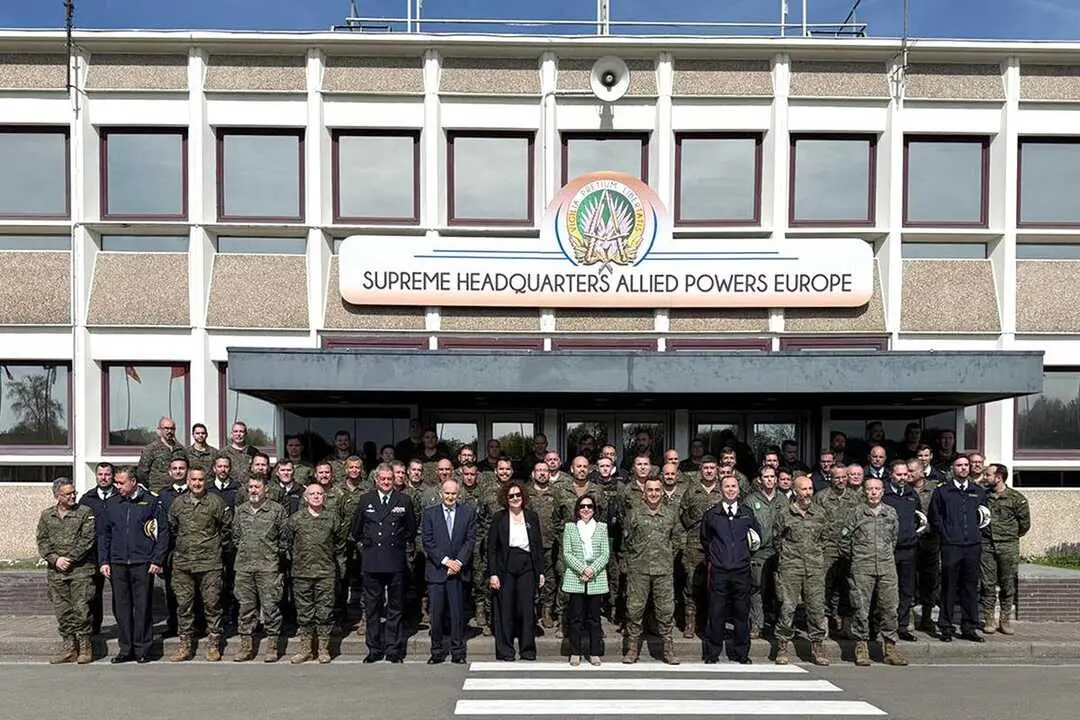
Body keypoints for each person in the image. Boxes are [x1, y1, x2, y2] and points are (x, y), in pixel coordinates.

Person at [97, 466, 168, 664]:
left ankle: (142, 649)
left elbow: (162, 532)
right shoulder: (112, 503)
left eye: (121, 482)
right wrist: (104, 561)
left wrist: (157, 559)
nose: (117, 486)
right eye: (116, 482)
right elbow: (104, 534)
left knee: (142, 606)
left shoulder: (151, 501)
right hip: (118, 562)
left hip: (142, 562)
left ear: (133, 482)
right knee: (121, 608)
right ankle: (125, 649)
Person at [351, 463, 416, 663]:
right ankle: (374, 649)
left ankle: (393, 649)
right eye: (383, 479)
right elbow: (356, 530)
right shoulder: (365, 500)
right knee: (372, 608)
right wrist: (367, 548)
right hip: (372, 562)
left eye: (390, 479)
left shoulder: (404, 500)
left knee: (395, 608)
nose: (387, 482)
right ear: (376, 480)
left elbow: (411, 530)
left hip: (395, 561)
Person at [167, 467, 231, 662]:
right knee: (184, 605)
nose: (197, 483)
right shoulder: (178, 503)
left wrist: (215, 547)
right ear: (188, 481)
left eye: (201, 480)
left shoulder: (215, 502)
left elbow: (227, 528)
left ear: (206, 481)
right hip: (183, 564)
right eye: (193, 480)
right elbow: (172, 527)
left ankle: (214, 643)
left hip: (210, 563)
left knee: (212, 604)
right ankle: (185, 645)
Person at [843, 477, 908, 667]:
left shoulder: (890, 513)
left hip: (886, 567)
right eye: (869, 489)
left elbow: (893, 539)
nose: (873, 492)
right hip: (862, 567)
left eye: (877, 489)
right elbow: (845, 542)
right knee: (861, 609)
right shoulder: (855, 513)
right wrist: (858, 558)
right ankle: (861, 647)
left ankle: (890, 648)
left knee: (889, 608)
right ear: (864, 491)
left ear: (882, 491)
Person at [700, 474, 761, 664]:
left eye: (734, 486)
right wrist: (717, 557)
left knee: (741, 613)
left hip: (741, 571)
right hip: (719, 571)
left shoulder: (747, 513)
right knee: (716, 612)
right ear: (721, 489)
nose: (731, 490)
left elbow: (756, 537)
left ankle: (741, 652)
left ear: (739, 489)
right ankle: (712, 653)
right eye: (727, 486)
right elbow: (705, 539)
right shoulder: (712, 514)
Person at [37, 477, 97, 665]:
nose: (72, 496)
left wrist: (69, 559)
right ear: (57, 496)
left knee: (81, 609)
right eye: (68, 494)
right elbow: (42, 540)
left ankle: (85, 647)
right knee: (63, 611)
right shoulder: (47, 515)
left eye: (73, 492)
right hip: (57, 572)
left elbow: (87, 540)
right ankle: (69, 647)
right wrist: (55, 559)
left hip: (80, 570)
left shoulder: (85, 512)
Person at [929, 455, 988, 642]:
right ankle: (945, 627)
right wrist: (946, 535)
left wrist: (975, 535)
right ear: (952, 468)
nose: (963, 468)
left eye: (966, 465)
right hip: (951, 546)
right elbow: (935, 517)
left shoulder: (978, 492)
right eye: (959, 465)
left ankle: (969, 627)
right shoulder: (943, 492)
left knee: (970, 587)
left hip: (972, 546)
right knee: (949, 587)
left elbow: (984, 518)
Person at [773, 475, 830, 666]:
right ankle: (782, 645)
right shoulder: (785, 513)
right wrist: (788, 557)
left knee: (816, 608)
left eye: (810, 489)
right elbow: (777, 539)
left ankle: (817, 646)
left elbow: (825, 539)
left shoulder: (820, 513)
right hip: (791, 567)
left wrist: (816, 557)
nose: (808, 493)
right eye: (804, 489)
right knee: (787, 607)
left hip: (814, 567)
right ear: (795, 492)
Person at [621, 478, 679, 665]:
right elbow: (627, 541)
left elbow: (677, 539)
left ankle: (668, 650)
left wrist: (667, 555)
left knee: (666, 610)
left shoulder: (670, 514)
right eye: (650, 490)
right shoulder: (634, 513)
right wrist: (635, 559)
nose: (653, 493)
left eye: (657, 490)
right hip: (639, 569)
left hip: (663, 570)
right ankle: (632, 649)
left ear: (662, 492)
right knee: (634, 609)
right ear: (644, 493)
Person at [231, 475, 289, 662]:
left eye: (257, 487)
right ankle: (246, 646)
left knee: (271, 607)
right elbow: (235, 536)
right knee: (245, 607)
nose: (253, 490)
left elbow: (284, 539)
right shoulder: (241, 511)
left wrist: (272, 555)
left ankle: (272, 646)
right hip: (245, 567)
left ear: (266, 490)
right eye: (251, 487)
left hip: (268, 567)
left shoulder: (276, 510)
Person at [287, 484, 347, 664]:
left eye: (319, 493)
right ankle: (305, 649)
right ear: (305, 498)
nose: (316, 496)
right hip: (302, 573)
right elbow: (287, 543)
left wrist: (337, 568)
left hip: (325, 573)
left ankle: (323, 648)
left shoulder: (333, 518)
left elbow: (340, 545)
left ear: (324, 497)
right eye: (312, 494)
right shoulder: (296, 519)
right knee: (304, 612)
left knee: (325, 611)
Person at [487, 481, 545, 662]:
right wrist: (493, 573)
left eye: (518, 495)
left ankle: (527, 649)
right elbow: (491, 548)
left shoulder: (532, 517)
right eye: (511, 496)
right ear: (506, 498)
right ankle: (506, 650)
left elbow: (537, 545)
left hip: (527, 564)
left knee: (527, 609)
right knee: (506, 608)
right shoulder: (499, 517)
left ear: (523, 497)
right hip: (506, 565)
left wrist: (540, 572)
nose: (515, 499)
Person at [422, 479, 478, 664]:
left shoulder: (467, 513)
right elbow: (428, 542)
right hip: (438, 572)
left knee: (457, 615)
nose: (450, 496)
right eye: (447, 493)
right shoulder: (430, 514)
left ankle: (458, 652)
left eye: (453, 493)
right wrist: (447, 562)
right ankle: (436, 651)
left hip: (458, 573)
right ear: (441, 494)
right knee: (436, 616)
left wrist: (459, 562)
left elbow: (470, 541)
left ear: (458, 494)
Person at [980, 464, 1031, 635]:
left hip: (1008, 545)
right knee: (987, 584)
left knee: (1007, 584)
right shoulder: (983, 496)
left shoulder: (1017, 498)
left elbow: (1024, 525)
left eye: (988, 475)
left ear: (998, 477)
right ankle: (989, 619)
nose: (985, 477)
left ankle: (1005, 619)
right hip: (987, 544)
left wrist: (1009, 536)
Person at [561, 494, 610, 667]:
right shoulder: (570, 528)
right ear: (577, 509)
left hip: (596, 577)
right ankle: (575, 652)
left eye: (589, 506)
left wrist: (592, 570)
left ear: (594, 509)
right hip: (576, 576)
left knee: (594, 618)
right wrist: (582, 569)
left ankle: (594, 652)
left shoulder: (602, 527)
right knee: (575, 618)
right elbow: (567, 553)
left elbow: (605, 553)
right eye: (582, 506)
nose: (586, 509)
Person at [77, 462, 115, 637]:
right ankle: (94, 629)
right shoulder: (87, 499)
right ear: (96, 476)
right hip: (93, 553)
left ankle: (123, 627)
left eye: (107, 474)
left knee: (120, 594)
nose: (104, 477)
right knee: (93, 594)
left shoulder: (120, 496)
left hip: (116, 553)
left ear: (112, 476)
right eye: (101, 474)